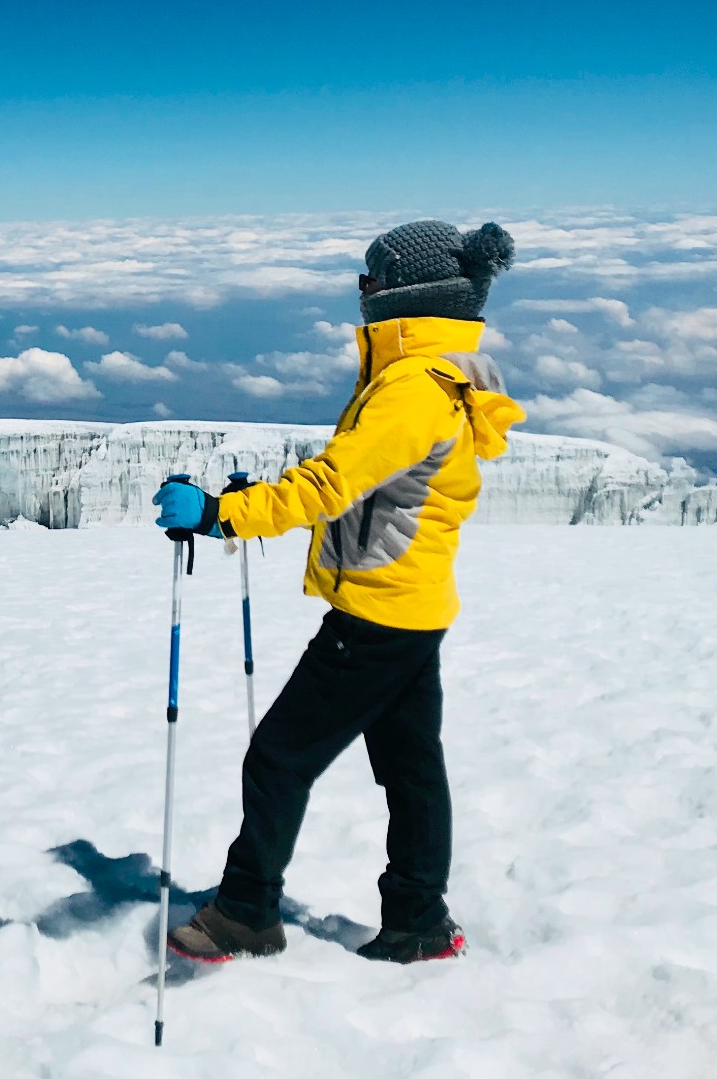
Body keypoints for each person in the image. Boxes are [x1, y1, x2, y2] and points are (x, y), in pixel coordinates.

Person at [152, 219, 524, 964]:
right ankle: (417, 919)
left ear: (401, 294)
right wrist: (257, 497)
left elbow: (331, 485)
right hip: (414, 605)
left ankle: (245, 914)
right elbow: (375, 484)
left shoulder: (412, 389)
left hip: (378, 612)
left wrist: (224, 514)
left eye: (368, 282)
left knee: (278, 758)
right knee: (412, 769)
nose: (360, 296)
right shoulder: (442, 371)